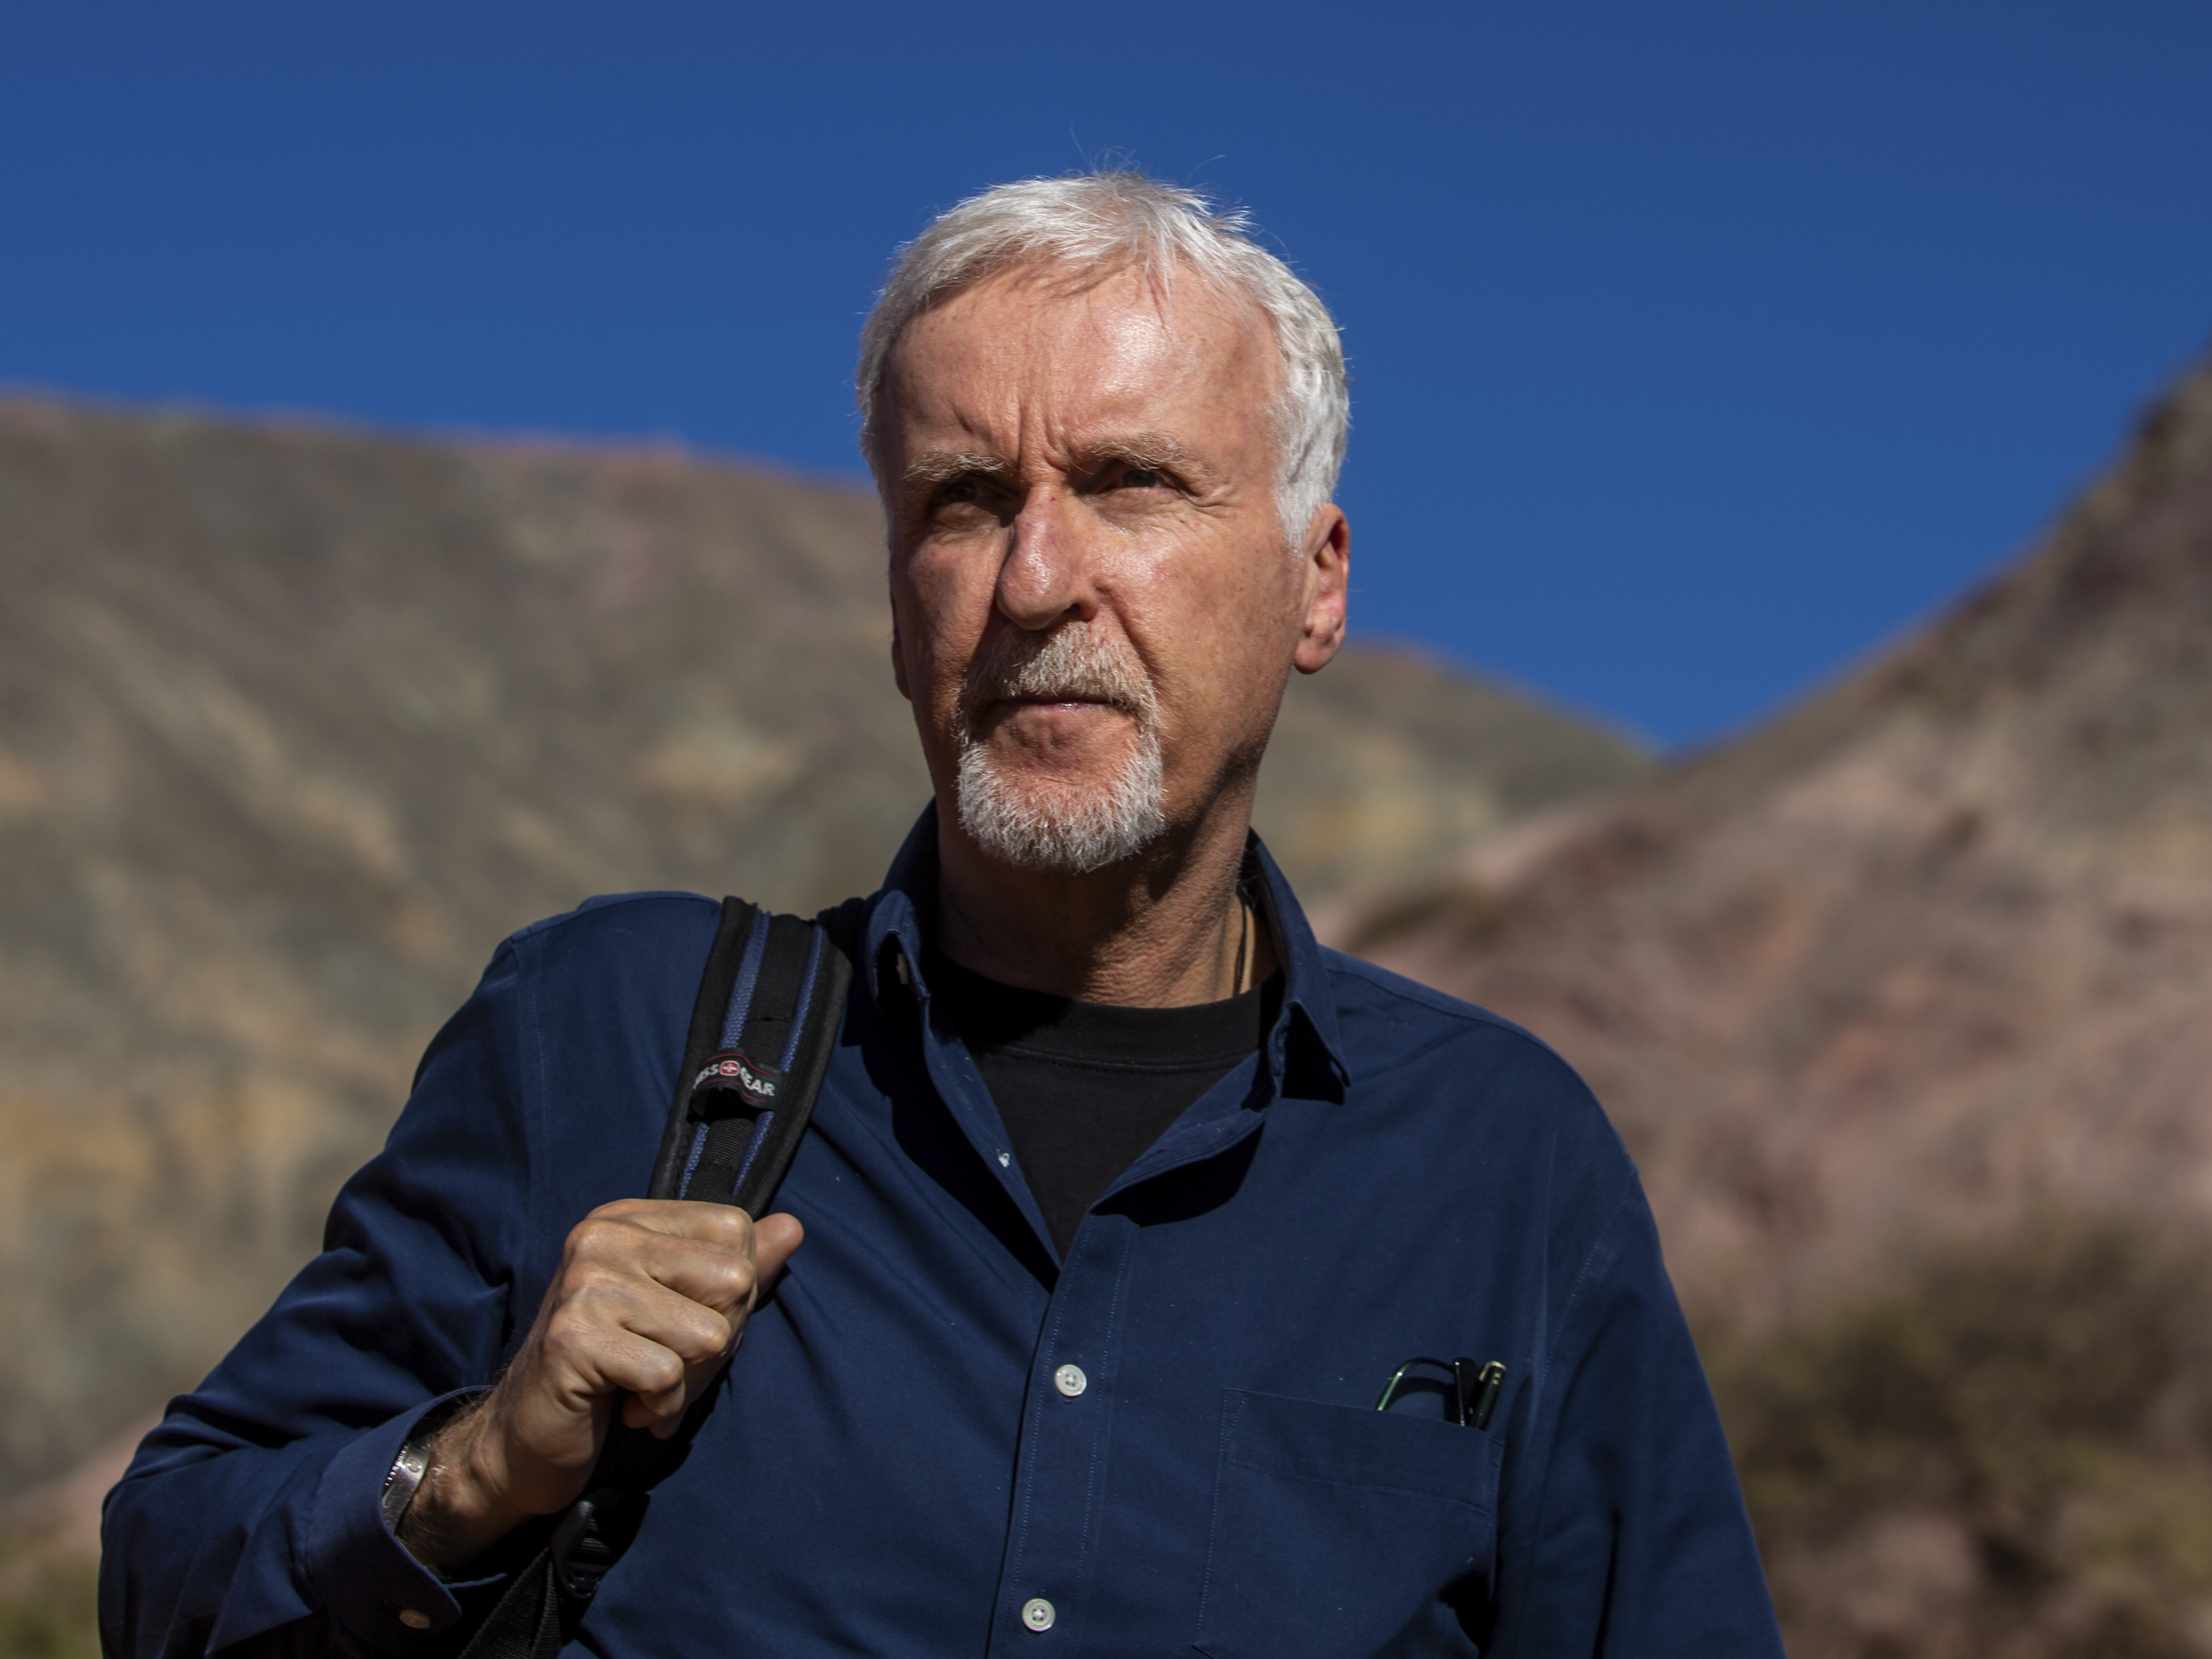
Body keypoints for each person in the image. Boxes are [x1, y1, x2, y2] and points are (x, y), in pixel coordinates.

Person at [102, 173, 1784, 1658]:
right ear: (900, 600)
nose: (1037, 581)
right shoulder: (607, 1034)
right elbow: (168, 1575)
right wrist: (477, 1469)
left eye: (1130, 485)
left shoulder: (1500, 1169)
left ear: (1315, 583)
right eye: (964, 502)